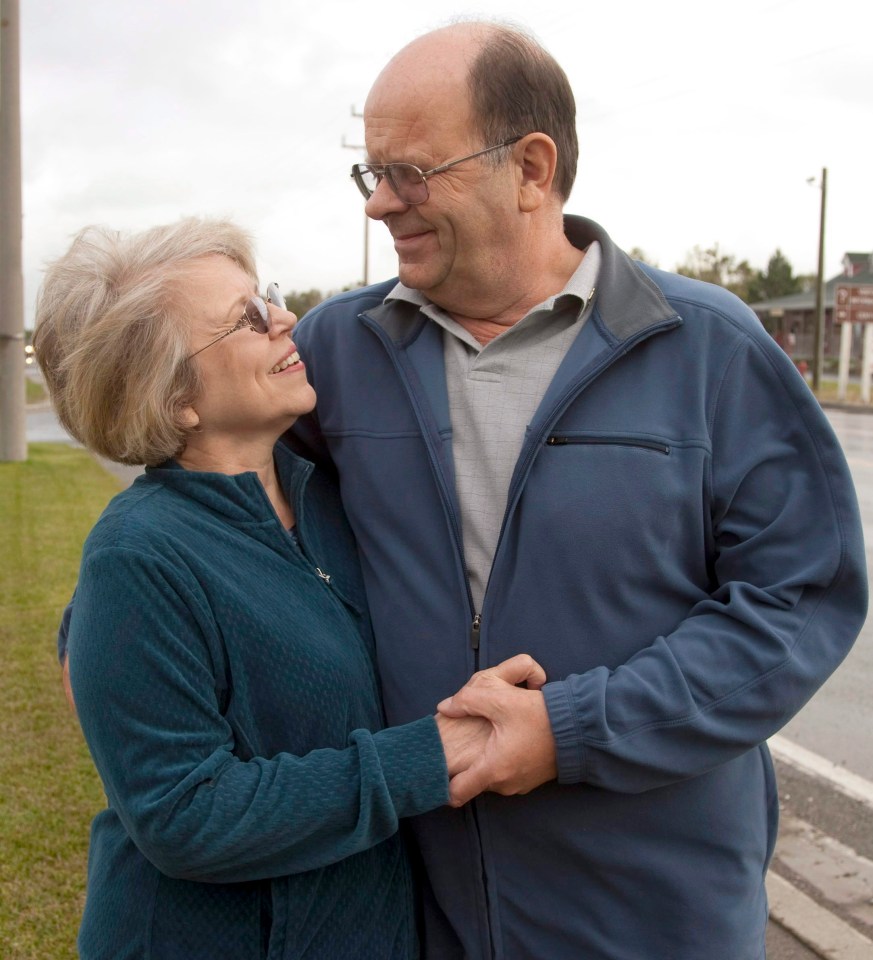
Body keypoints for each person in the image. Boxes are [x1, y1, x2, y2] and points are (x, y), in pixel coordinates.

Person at [286, 20, 868, 960]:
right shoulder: (335, 351)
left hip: (654, 919)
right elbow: (215, 499)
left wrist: (570, 730)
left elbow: (795, 603)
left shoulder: (708, 346)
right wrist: (120, 623)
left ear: (531, 166)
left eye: (411, 174)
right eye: (371, 174)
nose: (379, 205)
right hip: (418, 912)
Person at [35, 217, 545, 959]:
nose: (286, 320)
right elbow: (185, 816)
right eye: (247, 318)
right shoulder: (137, 553)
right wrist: (428, 756)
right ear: (176, 395)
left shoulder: (333, 497)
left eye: (266, 296)